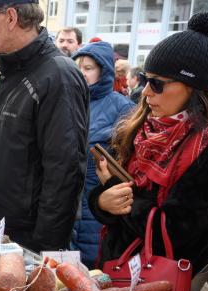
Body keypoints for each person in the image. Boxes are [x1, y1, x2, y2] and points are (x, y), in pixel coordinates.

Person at [88, 12, 208, 274]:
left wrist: (116, 190)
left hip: (162, 287)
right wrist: (101, 201)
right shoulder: (145, 123)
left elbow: (175, 232)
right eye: (144, 79)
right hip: (118, 268)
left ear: (191, 86)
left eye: (157, 83)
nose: (146, 91)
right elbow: (112, 197)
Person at [0, 0, 89, 252]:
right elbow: (5, 145)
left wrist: (45, 251)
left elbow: (64, 171)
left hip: (31, 237)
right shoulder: (6, 72)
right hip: (2, 226)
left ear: (11, 17)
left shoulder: (58, 75)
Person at [71, 41, 135, 267]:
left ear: (104, 70)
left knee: (92, 265)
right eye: (78, 67)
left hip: (97, 195)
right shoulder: (67, 100)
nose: (81, 73)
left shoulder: (122, 107)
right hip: (66, 195)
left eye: (88, 68)